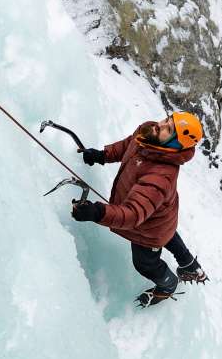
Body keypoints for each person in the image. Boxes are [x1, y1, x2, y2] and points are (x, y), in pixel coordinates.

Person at [71, 112, 209, 307]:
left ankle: (169, 284)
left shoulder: (161, 177)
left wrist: (97, 212)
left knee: (145, 263)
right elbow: (128, 146)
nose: (160, 125)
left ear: (175, 145)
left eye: (168, 129)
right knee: (166, 231)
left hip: (147, 228)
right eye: (167, 120)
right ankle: (188, 264)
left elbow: (134, 214)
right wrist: (102, 155)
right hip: (160, 215)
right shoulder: (149, 133)